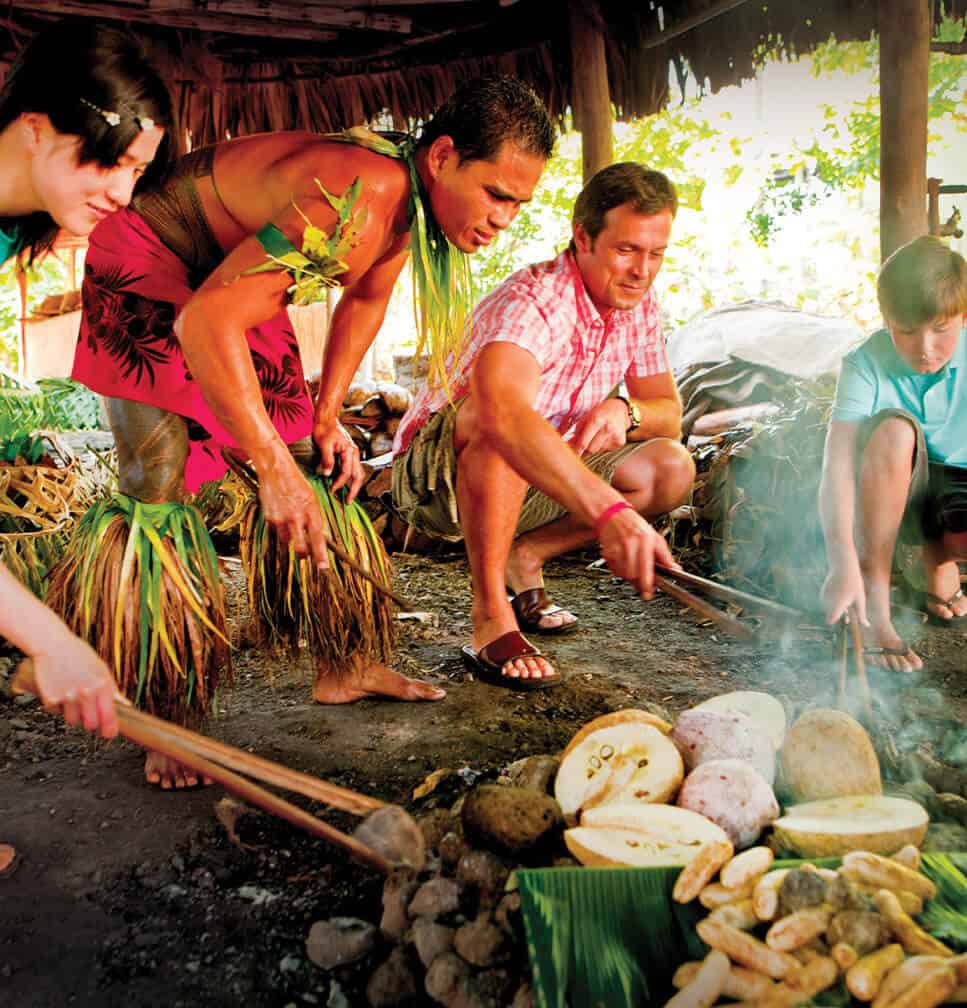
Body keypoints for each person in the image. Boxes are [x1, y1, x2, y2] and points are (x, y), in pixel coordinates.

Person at [55, 76, 555, 786]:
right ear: (442, 157)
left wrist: (324, 416)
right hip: (148, 256)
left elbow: (367, 297)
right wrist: (269, 467)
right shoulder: (361, 193)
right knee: (156, 485)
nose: (505, 218)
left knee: (314, 458)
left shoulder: (405, 205)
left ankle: (344, 664)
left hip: (228, 273)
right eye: (497, 194)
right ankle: (167, 718)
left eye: (519, 203)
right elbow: (203, 323)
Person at [391, 162, 694, 689]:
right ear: (583, 237)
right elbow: (502, 414)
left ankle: (523, 556)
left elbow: (668, 409)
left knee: (671, 466)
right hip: (437, 482)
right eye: (626, 250)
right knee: (501, 424)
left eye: (656, 254)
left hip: (540, 474)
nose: (642, 270)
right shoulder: (532, 300)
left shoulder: (639, 308)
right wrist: (613, 515)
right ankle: (490, 616)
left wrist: (627, 411)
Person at [0, 20, 173, 739]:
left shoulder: (16, 221)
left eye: (138, 172)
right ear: (36, 128)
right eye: (110, 163)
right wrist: (51, 639)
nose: (123, 195)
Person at [819, 234, 967, 673]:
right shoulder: (864, 363)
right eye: (906, 331)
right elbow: (838, 466)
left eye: (941, 330)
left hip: (957, 483)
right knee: (893, 431)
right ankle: (876, 604)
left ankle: (940, 558)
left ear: (963, 314)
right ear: (885, 320)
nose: (925, 348)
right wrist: (841, 560)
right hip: (894, 487)